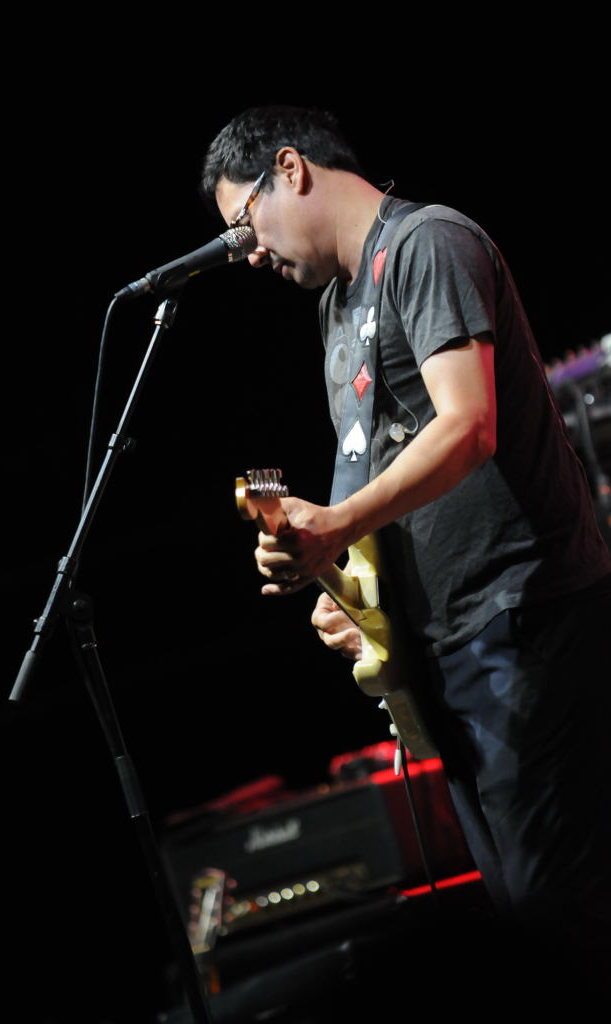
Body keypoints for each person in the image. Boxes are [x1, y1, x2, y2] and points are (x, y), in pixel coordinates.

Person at [201, 107, 611, 968]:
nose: (250, 254)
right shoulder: (334, 310)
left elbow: (468, 425)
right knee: (519, 914)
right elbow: (366, 489)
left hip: (524, 615)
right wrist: (343, 586)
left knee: (559, 910)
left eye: (244, 226)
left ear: (292, 169)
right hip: (449, 646)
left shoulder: (428, 242)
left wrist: (338, 525)